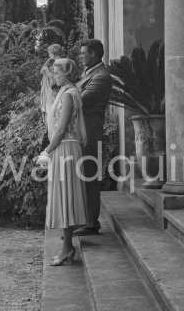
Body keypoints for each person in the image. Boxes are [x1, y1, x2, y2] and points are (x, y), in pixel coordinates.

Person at [37, 58, 88, 266]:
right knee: (64, 197)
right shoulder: (66, 92)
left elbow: (61, 129)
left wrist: (46, 151)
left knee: (66, 198)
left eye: (56, 73)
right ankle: (67, 246)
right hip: (64, 147)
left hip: (65, 147)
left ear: (66, 73)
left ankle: (67, 248)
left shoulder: (68, 94)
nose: (54, 76)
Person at [73, 39, 113, 236]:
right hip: (81, 132)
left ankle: (91, 223)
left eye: (83, 53)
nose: (80, 57)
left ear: (94, 55)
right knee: (82, 176)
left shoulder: (101, 76)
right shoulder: (89, 73)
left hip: (90, 133)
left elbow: (80, 99)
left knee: (89, 178)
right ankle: (84, 220)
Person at [40, 44, 63, 124]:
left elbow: (54, 82)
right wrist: (48, 61)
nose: (49, 55)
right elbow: (41, 71)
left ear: (54, 53)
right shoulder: (54, 62)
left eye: (49, 53)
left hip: (54, 95)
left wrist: (47, 71)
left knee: (53, 120)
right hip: (51, 95)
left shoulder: (59, 64)